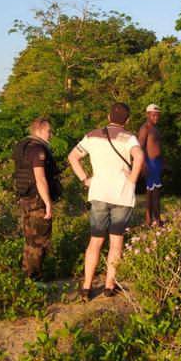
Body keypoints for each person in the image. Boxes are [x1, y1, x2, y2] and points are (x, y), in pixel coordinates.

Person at [68, 102, 144, 301]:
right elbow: (139, 156)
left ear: (108, 116)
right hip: (122, 195)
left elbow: (73, 157)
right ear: (127, 120)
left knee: (95, 241)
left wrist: (85, 179)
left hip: (99, 193)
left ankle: (86, 287)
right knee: (116, 241)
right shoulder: (129, 138)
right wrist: (133, 180)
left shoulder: (92, 136)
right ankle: (109, 286)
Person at [13, 118, 61, 279]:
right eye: (49, 131)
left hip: (25, 198)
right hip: (37, 200)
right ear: (39, 130)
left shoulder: (22, 146)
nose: (51, 135)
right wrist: (48, 203)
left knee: (29, 240)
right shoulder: (37, 149)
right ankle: (35, 278)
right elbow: (40, 178)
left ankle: (27, 276)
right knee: (39, 241)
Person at [136, 103, 164, 227]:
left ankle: (153, 219)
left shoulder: (155, 128)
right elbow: (140, 147)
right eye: (153, 115)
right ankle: (154, 219)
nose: (156, 118)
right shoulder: (145, 128)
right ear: (148, 115)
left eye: (158, 115)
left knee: (155, 192)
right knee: (153, 193)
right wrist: (142, 164)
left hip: (157, 164)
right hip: (150, 164)